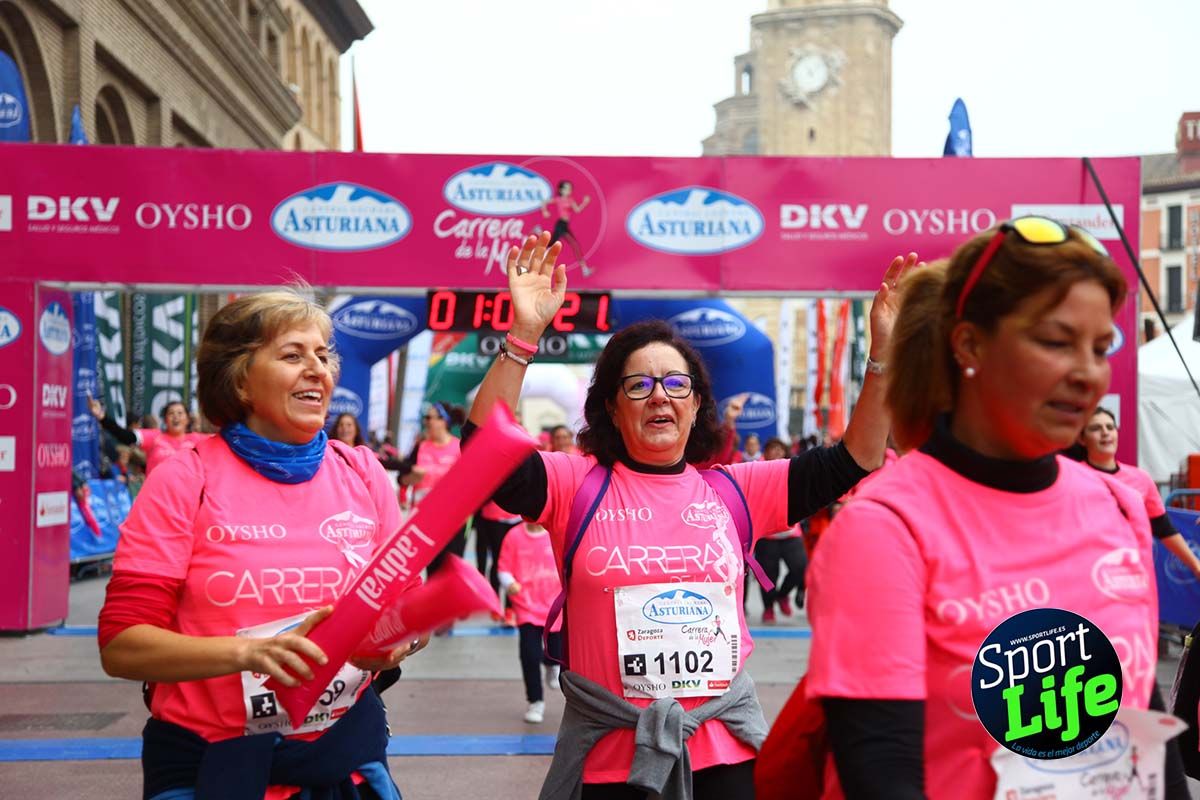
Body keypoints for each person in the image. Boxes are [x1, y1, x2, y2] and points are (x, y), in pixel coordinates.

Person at [465, 231, 906, 799]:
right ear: (611, 405)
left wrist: (881, 356)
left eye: (677, 384)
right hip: (610, 760)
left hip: (727, 751)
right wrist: (523, 336)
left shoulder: (736, 491)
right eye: (639, 384)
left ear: (697, 406)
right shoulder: (575, 484)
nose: (659, 396)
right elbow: (484, 457)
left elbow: (857, 458)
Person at [805, 216, 1190, 799]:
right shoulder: (884, 527)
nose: (1087, 371)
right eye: (1057, 341)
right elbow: (881, 772)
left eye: (1100, 347)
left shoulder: (1118, 503)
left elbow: (1144, 727)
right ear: (970, 343)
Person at [97, 288, 425, 800]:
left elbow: (407, 607)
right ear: (240, 380)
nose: (317, 369)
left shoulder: (362, 473)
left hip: (344, 763)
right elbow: (121, 646)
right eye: (293, 355)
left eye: (323, 355)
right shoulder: (186, 478)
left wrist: (395, 639)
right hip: (211, 767)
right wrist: (250, 654)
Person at [1079, 406, 1200, 579]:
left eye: (1110, 427)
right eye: (1095, 428)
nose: (1105, 433)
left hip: (1132, 574)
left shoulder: (1141, 478)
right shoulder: (1072, 477)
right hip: (1086, 573)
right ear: (1082, 439)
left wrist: (1195, 565)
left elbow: (1163, 528)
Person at [497, 520, 564, 724]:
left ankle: (552, 664)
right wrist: (509, 583)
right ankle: (535, 701)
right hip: (526, 606)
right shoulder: (514, 536)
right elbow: (503, 568)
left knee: (556, 653)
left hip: (554, 607)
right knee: (529, 654)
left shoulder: (556, 532)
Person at [397, 401, 466, 578]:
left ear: (444, 421)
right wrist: (413, 477)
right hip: (424, 521)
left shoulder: (459, 448)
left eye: (429, 417)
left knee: (450, 573)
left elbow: (470, 481)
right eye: (425, 418)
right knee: (430, 572)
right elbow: (402, 479)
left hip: (452, 521)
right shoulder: (420, 447)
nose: (426, 422)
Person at [752, 437, 807, 623]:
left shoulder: (794, 468)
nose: (776, 452)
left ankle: (782, 595)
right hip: (766, 535)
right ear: (765, 453)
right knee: (768, 575)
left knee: (800, 567)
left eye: (779, 449)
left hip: (790, 532)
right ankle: (768, 609)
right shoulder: (755, 471)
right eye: (772, 449)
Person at [90, 396, 209, 475]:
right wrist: (102, 417)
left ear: (187, 419)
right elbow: (125, 436)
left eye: (180, 413)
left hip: (187, 503)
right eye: (171, 413)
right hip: (156, 500)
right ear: (165, 420)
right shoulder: (154, 437)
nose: (175, 417)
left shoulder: (198, 440)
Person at [542, 180, 592, 276]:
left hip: (565, 225)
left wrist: (585, 202)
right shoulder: (558, 199)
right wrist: (545, 211)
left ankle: (585, 269)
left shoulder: (571, 200)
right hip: (561, 225)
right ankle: (585, 269)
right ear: (561, 190)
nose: (569, 190)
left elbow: (577, 210)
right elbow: (544, 202)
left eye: (570, 188)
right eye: (566, 188)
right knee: (574, 244)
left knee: (550, 244)